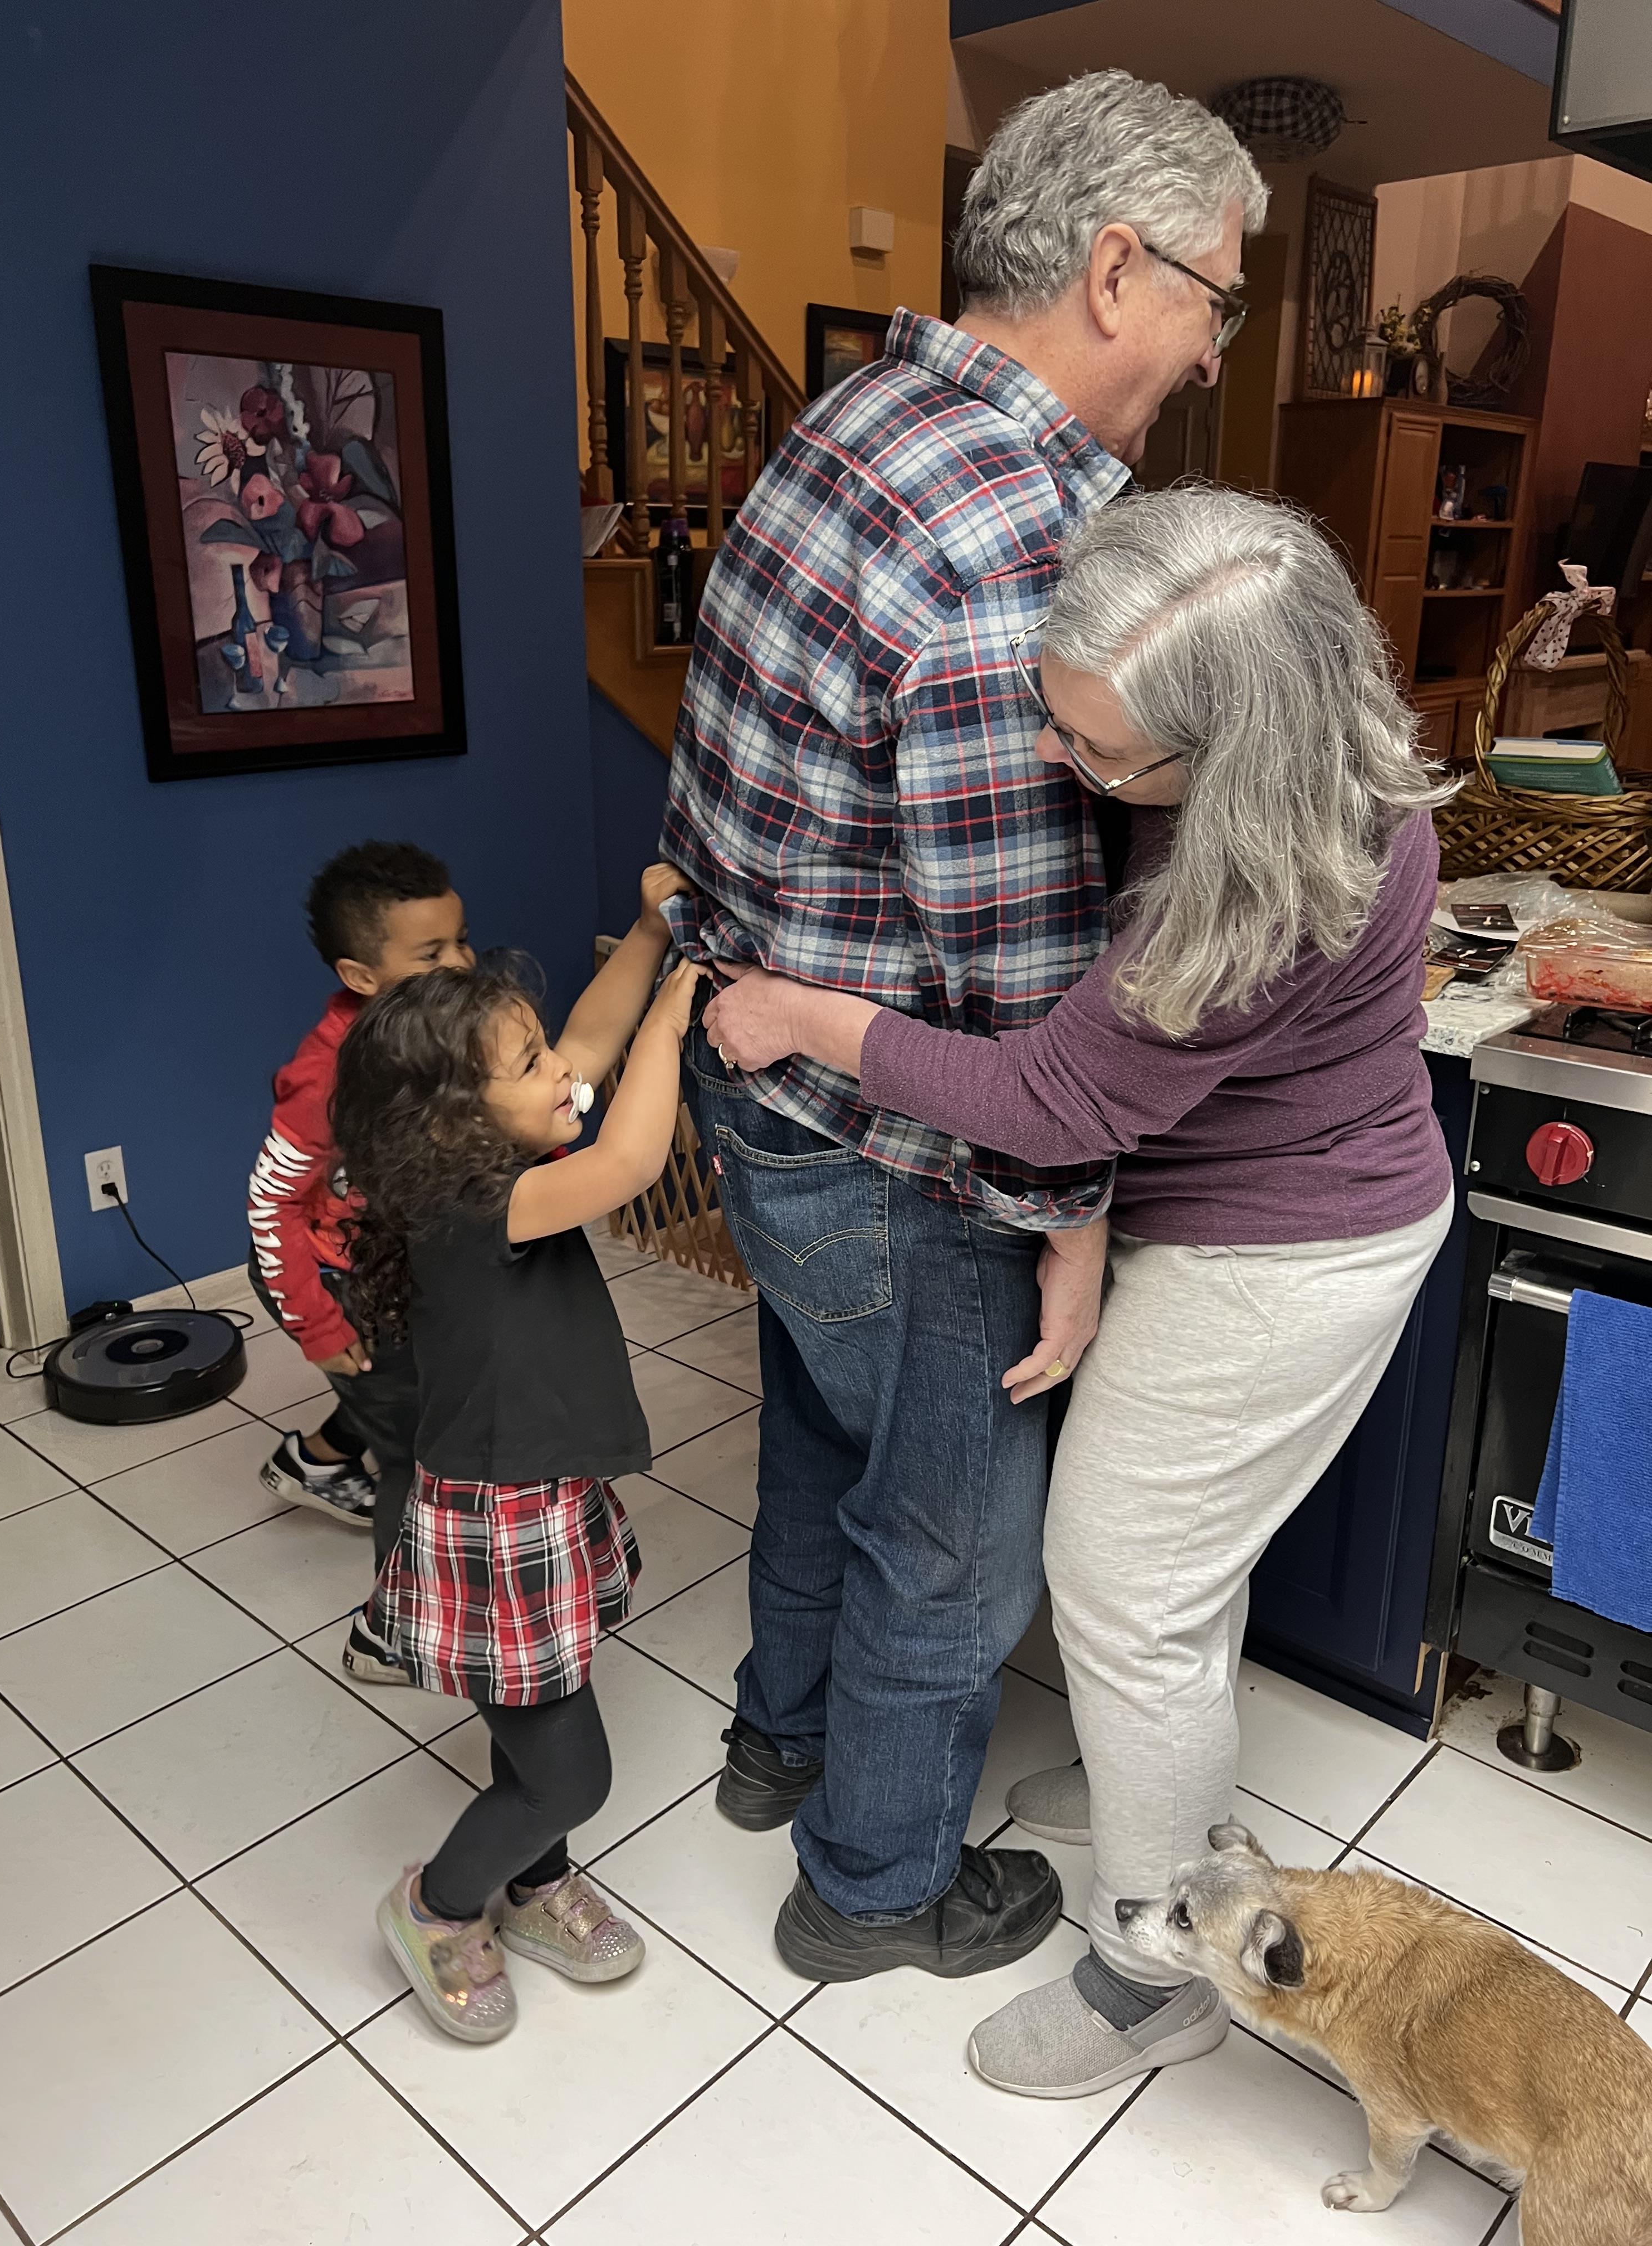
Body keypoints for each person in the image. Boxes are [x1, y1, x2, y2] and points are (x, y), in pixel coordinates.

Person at [703, 484, 1457, 2095]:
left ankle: (1153, 1967)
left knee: (1120, 1587)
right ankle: (1173, 1818)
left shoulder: (1259, 883)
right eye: (1053, 716)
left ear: (1235, 749)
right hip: (1261, 1214)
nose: (1060, 765)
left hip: (1286, 1255)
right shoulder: (1295, 741)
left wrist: (804, 1017)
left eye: (1102, 758)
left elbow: (1055, 1103)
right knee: (1176, 1577)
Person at [658, 69, 1268, 1981]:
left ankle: (782, 1737)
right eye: (1215, 298)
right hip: (910, 1144)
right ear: (1113, 268)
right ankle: (875, 1885)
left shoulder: (860, 413)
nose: (1212, 347)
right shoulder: (1021, 535)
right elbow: (1018, 982)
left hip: (761, 1078)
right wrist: (1073, 1222)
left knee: (819, 1447)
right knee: (954, 1533)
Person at [330, 867, 701, 2043]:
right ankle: (439, 1906)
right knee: (566, 1771)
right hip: (495, 1522)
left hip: (536, 1492)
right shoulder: (477, 1208)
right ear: (456, 1120)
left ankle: (537, 1886)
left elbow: (591, 1037)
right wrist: (682, 1013)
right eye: (531, 1067)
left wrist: (647, 933)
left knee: (539, 1714)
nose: (565, 1074)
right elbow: (633, 1164)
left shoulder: (482, 1163)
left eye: (545, 1053)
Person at [247, 840, 473, 1684]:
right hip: (333, 1277)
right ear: (362, 973)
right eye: (431, 954)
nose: (458, 964)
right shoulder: (328, 1075)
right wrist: (316, 1323)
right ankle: (390, 1633)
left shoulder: (436, 1026)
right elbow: (272, 1206)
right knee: (416, 1458)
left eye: (461, 940)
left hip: (387, 1259)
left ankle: (314, 1460)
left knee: (401, 1387)